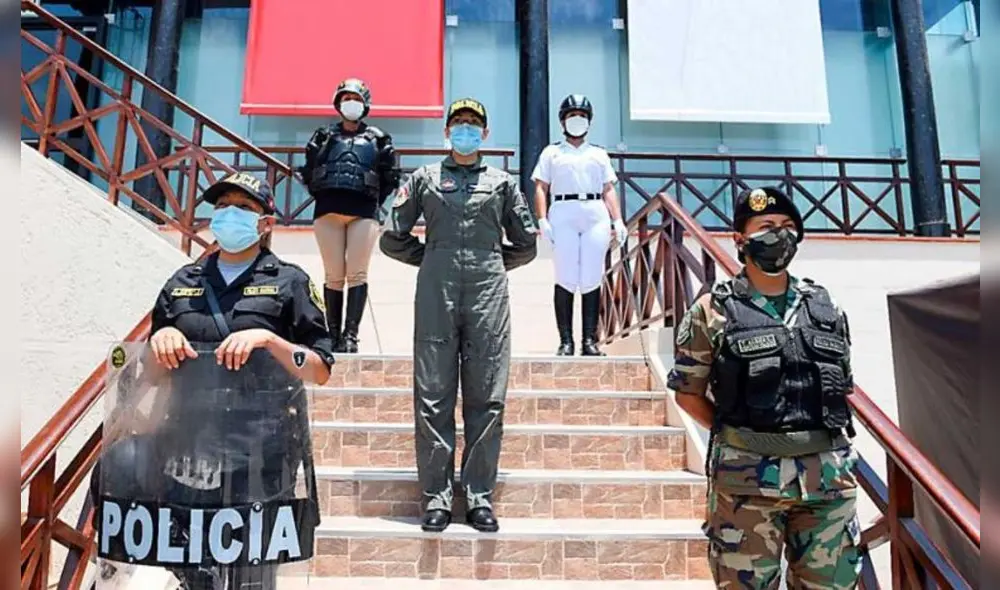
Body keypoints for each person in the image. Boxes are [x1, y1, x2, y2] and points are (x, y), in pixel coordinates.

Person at [93, 172, 336, 590]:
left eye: (243, 208)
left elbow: (319, 369)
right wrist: (159, 344)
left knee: (250, 580)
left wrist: (270, 340)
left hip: (259, 456)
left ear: (265, 223)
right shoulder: (182, 283)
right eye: (222, 206)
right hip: (186, 448)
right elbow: (147, 376)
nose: (229, 215)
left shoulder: (290, 282)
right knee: (119, 464)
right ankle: (191, 575)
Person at [667, 186, 862, 589]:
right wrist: (735, 432)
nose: (781, 236)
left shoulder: (825, 307)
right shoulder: (713, 309)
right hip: (746, 477)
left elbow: (842, 383)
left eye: (789, 227)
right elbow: (688, 391)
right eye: (767, 226)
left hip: (827, 479)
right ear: (741, 239)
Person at [380, 98, 538, 533]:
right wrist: (432, 257)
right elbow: (392, 236)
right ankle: (436, 497)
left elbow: (526, 243)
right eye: (459, 123)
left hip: (488, 291)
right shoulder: (425, 178)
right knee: (433, 396)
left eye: (474, 125)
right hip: (437, 291)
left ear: (484, 134)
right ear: (447, 131)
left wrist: (489, 262)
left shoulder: (504, 183)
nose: (465, 130)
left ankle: (479, 497)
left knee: (487, 396)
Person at [297, 77, 400, 353]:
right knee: (333, 275)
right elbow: (307, 170)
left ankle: (351, 335)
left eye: (355, 99)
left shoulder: (379, 138)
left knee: (357, 273)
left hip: (363, 213)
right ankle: (331, 334)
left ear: (365, 103)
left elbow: (390, 176)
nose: (350, 104)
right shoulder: (323, 136)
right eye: (345, 98)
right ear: (337, 102)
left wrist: (376, 201)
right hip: (327, 212)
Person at [530, 94, 627, 356]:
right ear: (563, 120)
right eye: (572, 115)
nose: (577, 120)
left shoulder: (598, 153)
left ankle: (588, 341)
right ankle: (565, 341)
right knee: (565, 276)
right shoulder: (552, 152)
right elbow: (541, 187)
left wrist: (617, 219)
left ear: (589, 121)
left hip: (595, 211)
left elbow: (608, 188)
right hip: (563, 211)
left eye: (582, 116)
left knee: (592, 277)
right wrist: (542, 219)